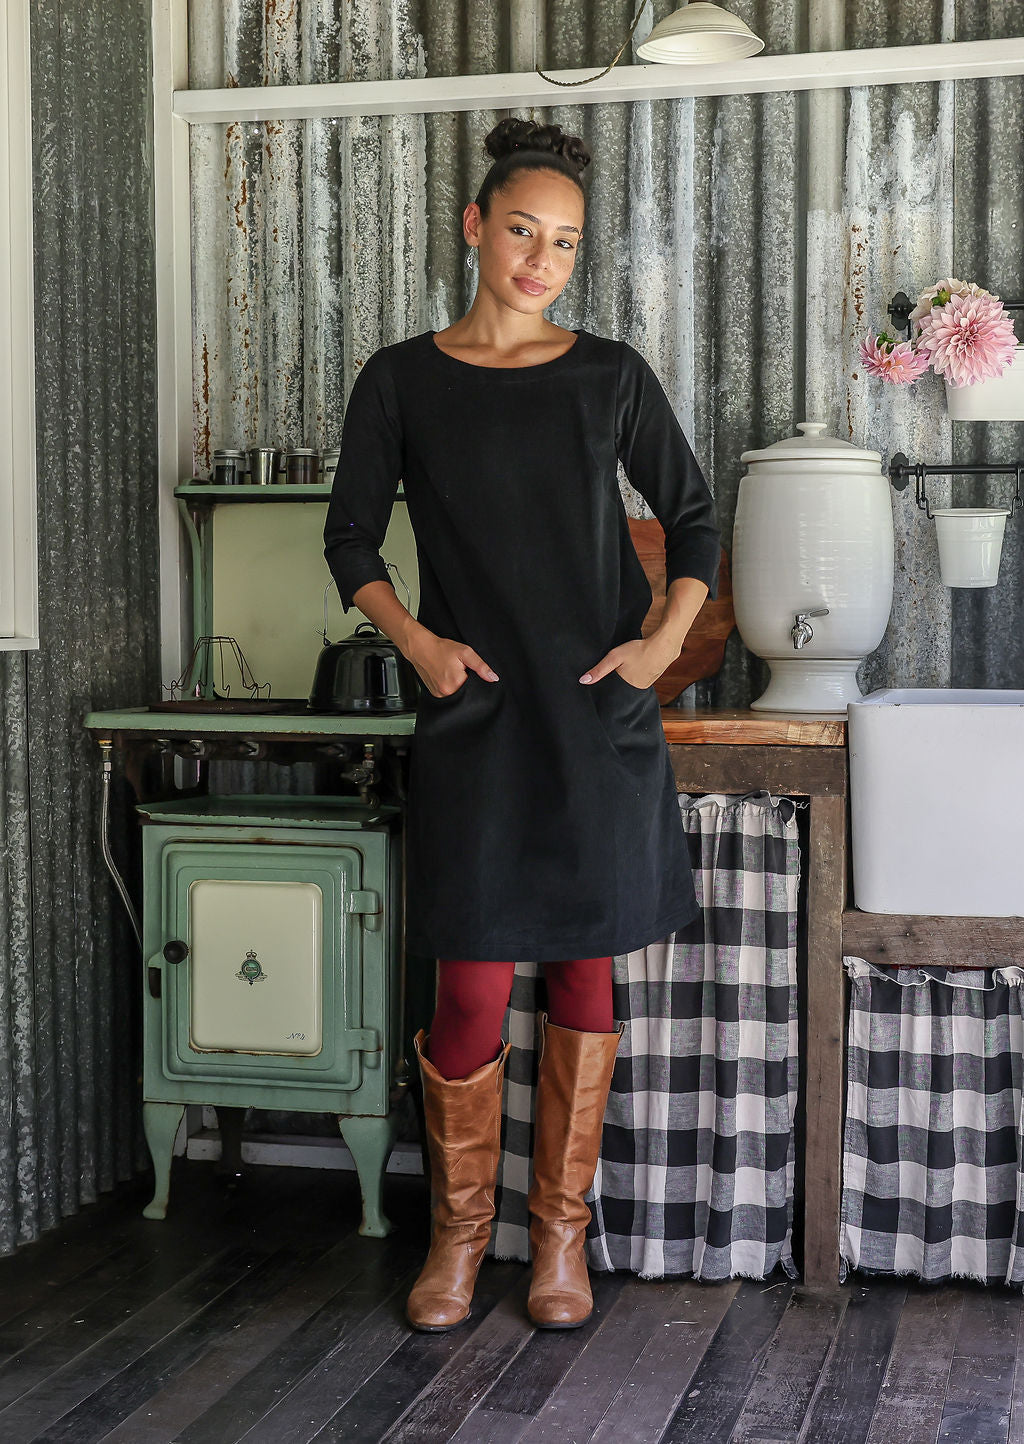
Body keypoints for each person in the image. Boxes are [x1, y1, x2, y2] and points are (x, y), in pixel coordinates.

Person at [323, 116, 721, 1335]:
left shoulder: (609, 375)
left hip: (595, 721)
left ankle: (558, 1241)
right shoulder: (399, 378)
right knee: (471, 992)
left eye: (565, 243)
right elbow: (348, 540)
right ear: (474, 228)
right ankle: (455, 1242)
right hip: (476, 720)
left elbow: (696, 518)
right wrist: (420, 641)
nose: (543, 260)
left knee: (587, 974)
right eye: (521, 233)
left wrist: (656, 647)